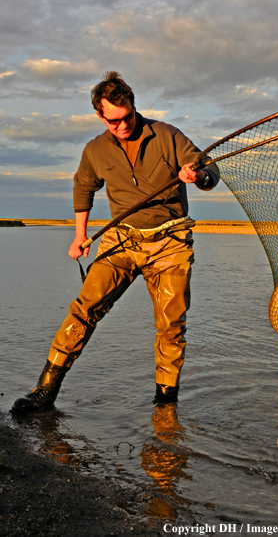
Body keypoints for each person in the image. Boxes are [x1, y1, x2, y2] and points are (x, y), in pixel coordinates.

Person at [12, 71, 219, 414]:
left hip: (170, 242)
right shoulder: (95, 150)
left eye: (126, 118)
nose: (122, 126)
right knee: (85, 308)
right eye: (113, 121)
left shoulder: (167, 135)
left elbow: (208, 169)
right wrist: (80, 236)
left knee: (170, 325)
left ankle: (165, 406)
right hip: (120, 241)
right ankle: (45, 392)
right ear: (100, 115)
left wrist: (196, 175)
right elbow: (83, 188)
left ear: (134, 107)